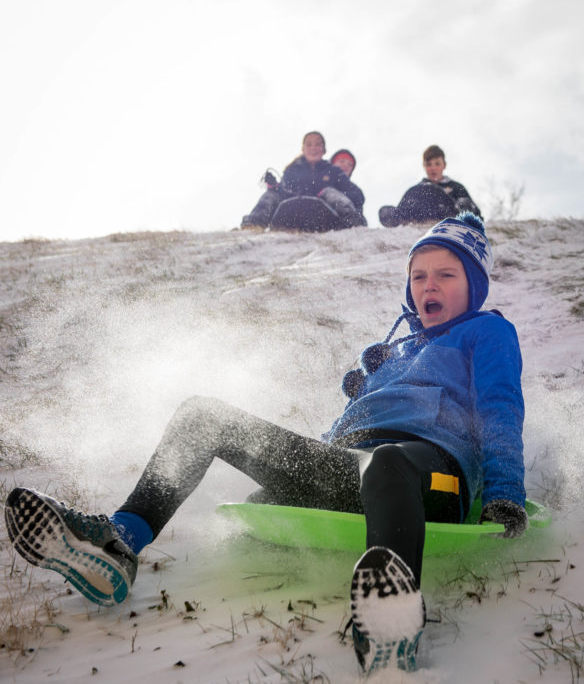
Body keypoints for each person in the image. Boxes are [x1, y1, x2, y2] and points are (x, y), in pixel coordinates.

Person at [5, 212, 527, 675]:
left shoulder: (486, 331)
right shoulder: (392, 352)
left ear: (473, 285)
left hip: (430, 475)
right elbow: (344, 438)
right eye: (418, 275)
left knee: (386, 461)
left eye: (444, 274)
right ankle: (119, 545)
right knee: (202, 414)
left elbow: (501, 408)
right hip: (354, 469)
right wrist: (363, 389)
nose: (426, 285)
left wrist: (505, 493)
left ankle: (394, 622)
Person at [240, 132, 366, 231]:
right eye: (309, 144)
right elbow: (283, 193)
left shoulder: (333, 171)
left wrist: (328, 194)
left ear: (324, 150)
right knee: (271, 194)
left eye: (318, 145)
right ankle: (252, 227)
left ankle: (354, 226)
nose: (313, 148)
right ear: (303, 148)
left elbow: (357, 195)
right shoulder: (292, 170)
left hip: (326, 215)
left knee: (330, 192)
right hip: (291, 213)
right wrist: (274, 186)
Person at [379, 145, 482, 227]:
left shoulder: (457, 188)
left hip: (449, 222)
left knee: (464, 204)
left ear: (444, 165)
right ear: (424, 166)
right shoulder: (415, 191)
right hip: (418, 224)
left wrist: (461, 208)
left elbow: (475, 215)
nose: (433, 168)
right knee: (385, 210)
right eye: (429, 164)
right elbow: (402, 210)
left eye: (437, 164)